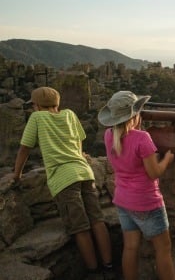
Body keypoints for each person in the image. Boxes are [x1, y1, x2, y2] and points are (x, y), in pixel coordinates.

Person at [11, 86, 114, 278]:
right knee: (97, 220)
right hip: (85, 173)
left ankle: (93, 272)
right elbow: (79, 141)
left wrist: (17, 175)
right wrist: (79, 155)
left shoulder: (37, 118)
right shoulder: (69, 114)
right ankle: (108, 267)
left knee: (80, 227)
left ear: (37, 105)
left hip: (64, 179)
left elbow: (24, 149)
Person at [98, 91, 175, 280]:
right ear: (134, 115)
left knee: (131, 247)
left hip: (123, 200)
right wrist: (167, 159)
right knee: (164, 250)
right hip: (146, 202)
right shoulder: (142, 138)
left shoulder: (109, 136)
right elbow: (154, 172)